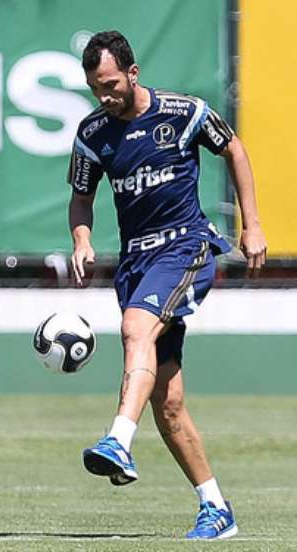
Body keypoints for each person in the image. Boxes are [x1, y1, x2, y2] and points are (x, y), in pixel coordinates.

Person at [67, 31, 267, 540]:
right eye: (95, 89)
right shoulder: (92, 134)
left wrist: (252, 224)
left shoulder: (184, 113)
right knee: (168, 400)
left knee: (136, 330)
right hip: (136, 262)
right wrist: (82, 239)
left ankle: (118, 438)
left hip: (185, 247)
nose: (104, 96)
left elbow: (234, 148)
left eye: (111, 85)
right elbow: (81, 198)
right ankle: (216, 508)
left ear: (133, 73)